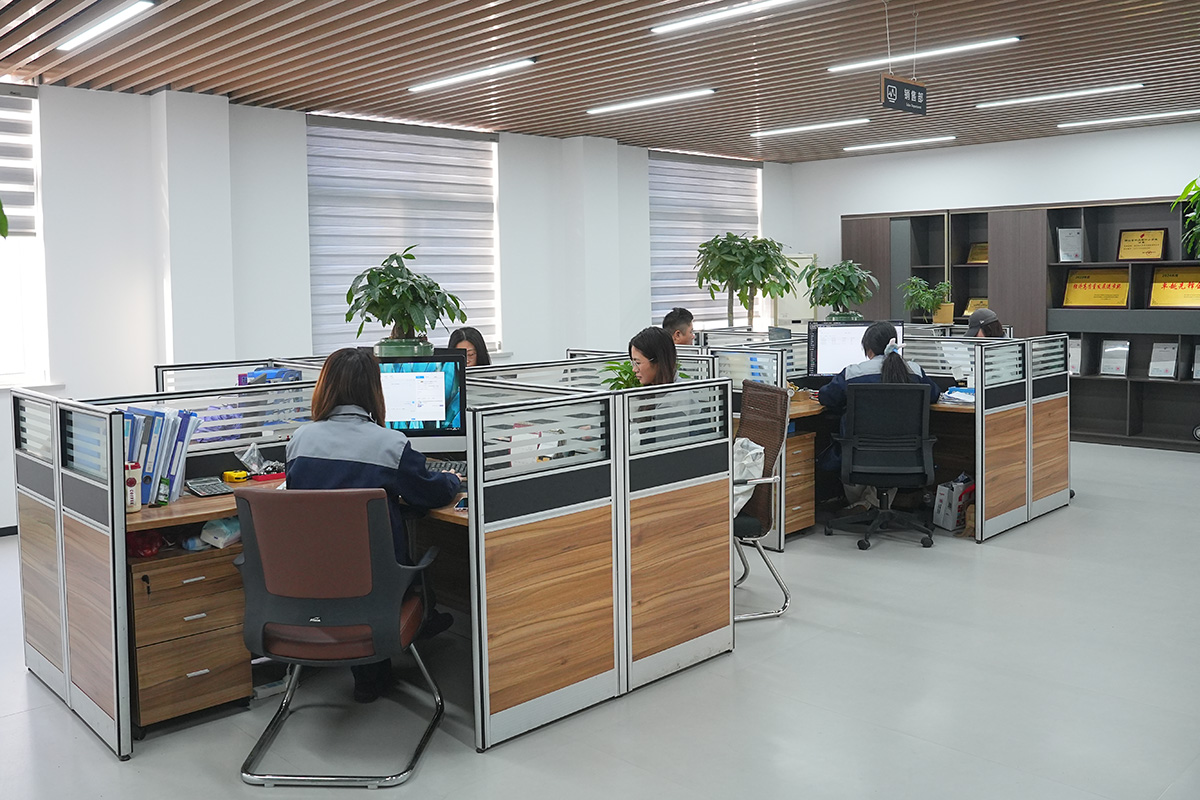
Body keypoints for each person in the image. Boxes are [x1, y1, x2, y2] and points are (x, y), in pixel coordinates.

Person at [285, 347, 461, 702]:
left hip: (313, 580)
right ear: (373, 390)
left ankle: (369, 676)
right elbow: (429, 493)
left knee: (349, 558)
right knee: (403, 558)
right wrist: (453, 480)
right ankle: (417, 625)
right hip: (377, 587)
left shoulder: (299, 441)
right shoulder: (390, 445)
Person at [817, 321, 942, 509]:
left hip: (857, 456)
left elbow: (826, 397)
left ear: (868, 349)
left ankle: (864, 506)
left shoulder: (853, 373)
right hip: (906, 457)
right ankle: (870, 505)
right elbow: (935, 395)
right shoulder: (915, 371)